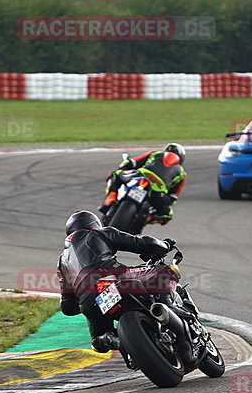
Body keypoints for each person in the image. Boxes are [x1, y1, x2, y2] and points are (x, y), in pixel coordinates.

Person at [57, 211, 175, 353]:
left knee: (97, 341)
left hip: (88, 299)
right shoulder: (99, 233)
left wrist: (81, 303)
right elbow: (140, 243)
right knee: (162, 271)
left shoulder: (62, 261)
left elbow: (67, 306)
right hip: (114, 278)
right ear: (93, 224)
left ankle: (113, 340)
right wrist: (164, 245)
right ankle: (169, 313)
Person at [99, 143, 187, 225]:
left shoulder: (155, 154)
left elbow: (133, 162)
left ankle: (111, 197)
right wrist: (164, 204)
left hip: (140, 176)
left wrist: (124, 166)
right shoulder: (181, 173)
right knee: (167, 215)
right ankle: (146, 219)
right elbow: (173, 196)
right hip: (157, 190)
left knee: (116, 174)